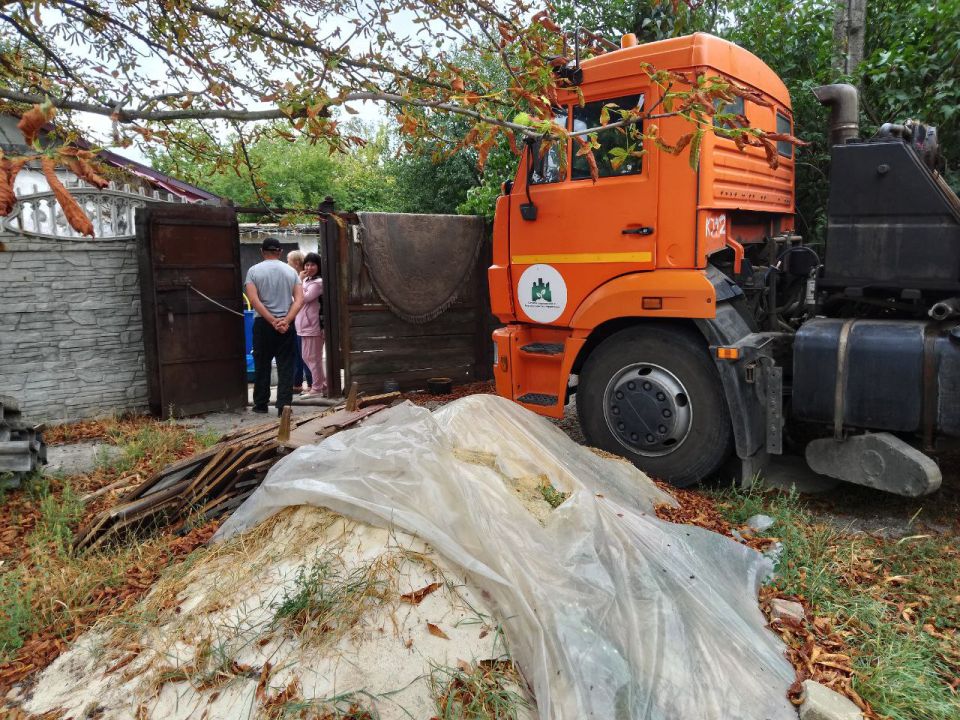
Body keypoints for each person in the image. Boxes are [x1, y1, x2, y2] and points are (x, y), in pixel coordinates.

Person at [245, 237, 304, 415]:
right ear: (279, 252)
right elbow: (299, 300)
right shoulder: (291, 272)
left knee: (262, 363)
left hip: (263, 324)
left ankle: (261, 404)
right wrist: (285, 321)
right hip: (286, 323)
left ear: (262, 252)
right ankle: (284, 406)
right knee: (286, 365)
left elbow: (254, 300)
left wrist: (272, 321)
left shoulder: (253, 271)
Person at [296, 252, 327, 396]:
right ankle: (323, 384)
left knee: (312, 357)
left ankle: (316, 388)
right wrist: (302, 282)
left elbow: (303, 298)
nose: (309, 267)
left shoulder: (318, 283)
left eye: (313, 264)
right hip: (304, 325)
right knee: (308, 357)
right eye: (307, 264)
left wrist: (299, 281)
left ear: (319, 266)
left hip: (314, 325)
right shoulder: (307, 281)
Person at [286, 250, 313, 394]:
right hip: (296, 320)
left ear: (296, 263)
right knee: (297, 353)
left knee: (305, 353)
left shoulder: (304, 278)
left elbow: (300, 298)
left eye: (288, 260)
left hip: (303, 320)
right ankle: (297, 383)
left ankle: (310, 383)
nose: (287, 263)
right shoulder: (295, 276)